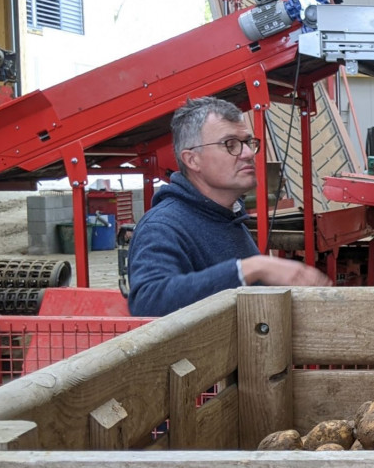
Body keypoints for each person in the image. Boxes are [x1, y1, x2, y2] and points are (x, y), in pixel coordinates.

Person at [127, 96, 330, 316]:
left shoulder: (228, 217)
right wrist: (250, 269)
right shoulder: (163, 227)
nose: (248, 153)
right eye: (230, 144)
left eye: (248, 143)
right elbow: (148, 301)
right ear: (192, 160)